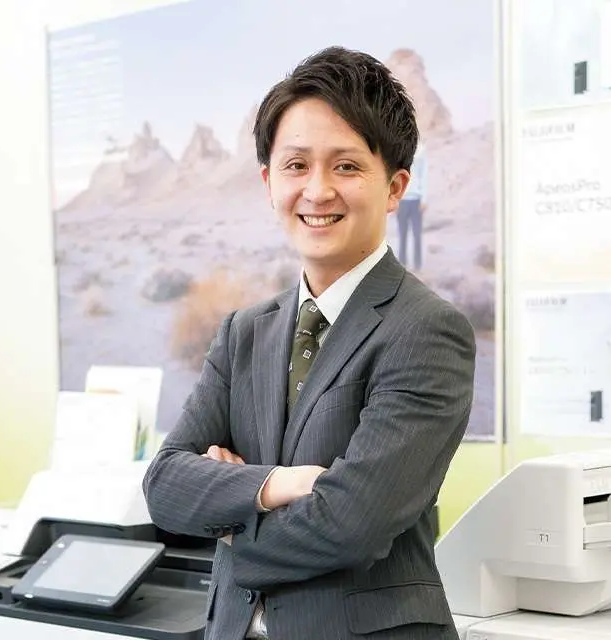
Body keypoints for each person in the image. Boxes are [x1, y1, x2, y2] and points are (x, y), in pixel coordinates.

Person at [143, 46, 475, 640]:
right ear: (268, 182)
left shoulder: (426, 331)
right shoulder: (243, 332)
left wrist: (228, 520)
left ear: (395, 187)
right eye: (296, 165)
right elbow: (165, 486)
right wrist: (282, 484)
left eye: (346, 166)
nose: (317, 191)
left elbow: (351, 524)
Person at [396, 141, 427, 271]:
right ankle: (402, 264)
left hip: (416, 200)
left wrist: (424, 199)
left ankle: (417, 265)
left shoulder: (421, 150)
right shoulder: (398, 148)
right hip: (402, 200)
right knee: (402, 234)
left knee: (417, 234)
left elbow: (424, 175)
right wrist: (394, 198)